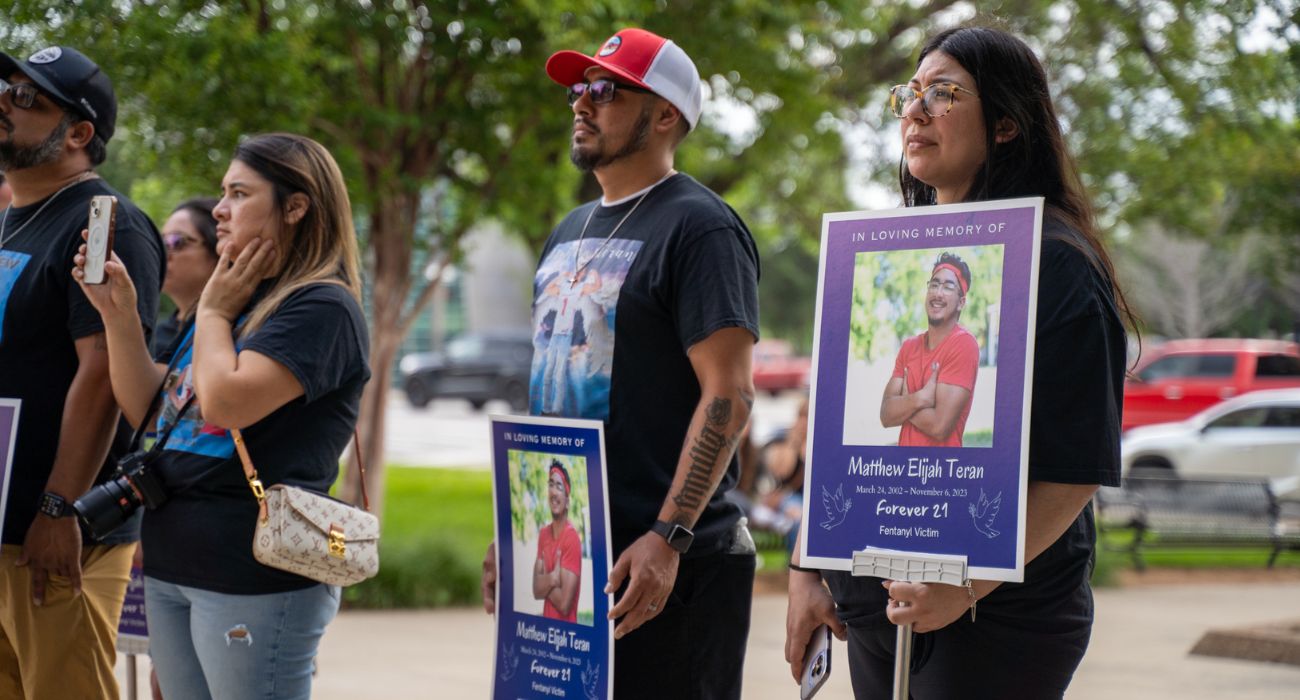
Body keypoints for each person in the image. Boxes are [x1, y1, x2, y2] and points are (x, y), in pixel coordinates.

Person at [786, 25, 1134, 699]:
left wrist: (965, 586)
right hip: (875, 604)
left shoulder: (1056, 262)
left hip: (995, 617)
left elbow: (1074, 471)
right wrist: (805, 570)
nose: (915, 111)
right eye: (910, 94)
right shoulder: (889, 254)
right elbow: (844, 431)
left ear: (1006, 125)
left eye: (942, 94)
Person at [482, 28, 761, 699]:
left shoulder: (702, 228)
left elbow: (730, 395)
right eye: (579, 89)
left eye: (604, 90)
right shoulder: (567, 230)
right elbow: (551, 389)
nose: (581, 103)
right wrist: (519, 531)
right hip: (574, 558)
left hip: (670, 568)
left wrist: (670, 535)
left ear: (665, 115)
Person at [72, 132, 369, 699]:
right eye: (222, 194)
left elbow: (225, 400)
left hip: (251, 574)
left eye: (239, 193)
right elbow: (154, 409)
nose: (222, 211)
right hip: (173, 560)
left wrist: (211, 309)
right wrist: (119, 314)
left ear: (295, 207)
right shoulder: (237, 295)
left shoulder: (320, 306)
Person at [0, 46, 165, 699]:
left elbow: (99, 376)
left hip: (58, 539)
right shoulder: (15, 220)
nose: (3, 103)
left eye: (26, 98)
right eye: (4, 87)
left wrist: (56, 506)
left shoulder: (104, 225)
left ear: (78, 134)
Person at [880, 252, 979, 447]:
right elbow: (886, 415)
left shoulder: (964, 344)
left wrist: (904, 402)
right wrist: (920, 399)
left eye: (948, 287)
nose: (937, 293)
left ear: (961, 302)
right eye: (934, 284)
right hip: (902, 470)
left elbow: (939, 427)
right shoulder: (909, 347)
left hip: (940, 471)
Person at [151, 197, 220, 356]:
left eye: (177, 241)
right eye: (161, 243)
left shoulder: (245, 328)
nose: (164, 254)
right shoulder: (154, 338)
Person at [533, 460, 582, 622]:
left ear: (567, 501)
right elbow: (535, 590)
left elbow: (564, 604)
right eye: (551, 485)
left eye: (559, 487)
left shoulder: (571, 538)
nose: (553, 492)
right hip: (547, 635)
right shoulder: (543, 534)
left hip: (567, 637)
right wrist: (553, 578)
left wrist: (544, 581)